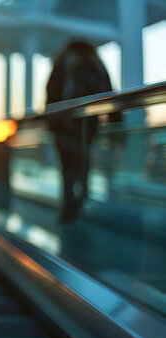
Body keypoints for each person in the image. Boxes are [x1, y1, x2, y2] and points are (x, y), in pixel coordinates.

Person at [46, 40, 120, 222]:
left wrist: (51, 125)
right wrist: (116, 125)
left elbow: (51, 94)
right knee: (83, 162)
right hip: (88, 126)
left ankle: (68, 208)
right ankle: (83, 202)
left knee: (67, 168)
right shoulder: (96, 64)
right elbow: (110, 93)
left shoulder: (62, 63)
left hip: (63, 127)